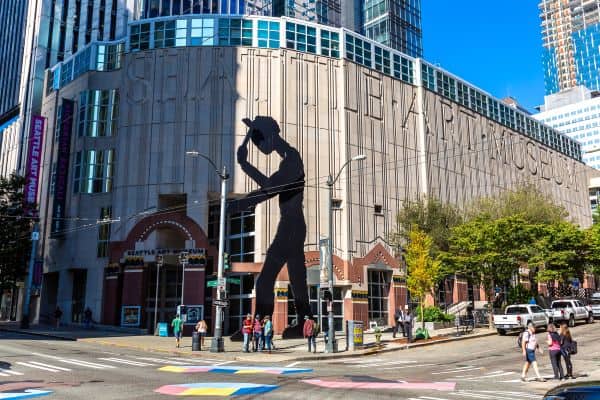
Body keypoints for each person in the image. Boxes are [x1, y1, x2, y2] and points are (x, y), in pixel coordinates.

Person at [230, 117, 311, 336]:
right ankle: (306, 324)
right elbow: (270, 185)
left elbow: (269, 189)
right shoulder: (289, 158)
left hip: (290, 227)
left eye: (260, 141)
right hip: (293, 225)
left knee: (265, 279)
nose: (258, 146)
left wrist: (236, 205)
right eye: (254, 142)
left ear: (271, 137)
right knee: (297, 278)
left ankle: (258, 325)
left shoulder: (292, 160)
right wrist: (245, 165)